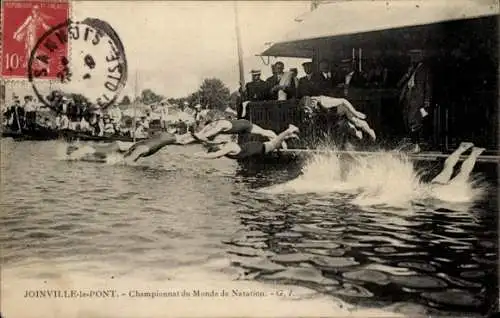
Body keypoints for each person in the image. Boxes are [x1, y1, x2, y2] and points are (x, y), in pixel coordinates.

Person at [65, 131, 211, 163]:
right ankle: (76, 153)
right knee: (103, 158)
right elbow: (185, 140)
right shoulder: (166, 139)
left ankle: (78, 151)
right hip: (129, 147)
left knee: (102, 153)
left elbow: (185, 140)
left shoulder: (166, 136)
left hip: (126, 145)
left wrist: (200, 138)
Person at [193, 124, 299, 160]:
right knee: (274, 144)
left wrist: (201, 156)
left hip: (254, 148)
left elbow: (215, 155)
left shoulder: (227, 148)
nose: (219, 157)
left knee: (273, 144)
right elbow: (213, 147)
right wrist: (203, 143)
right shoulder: (224, 146)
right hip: (251, 148)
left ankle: (289, 130)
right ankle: (289, 135)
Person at [398, 49, 432, 153]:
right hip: (408, 98)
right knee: (408, 120)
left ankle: (417, 145)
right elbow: (399, 84)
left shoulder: (425, 69)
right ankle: (415, 144)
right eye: (412, 55)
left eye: (415, 55)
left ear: (421, 56)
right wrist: (407, 74)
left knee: (414, 120)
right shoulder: (411, 69)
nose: (413, 57)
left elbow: (428, 86)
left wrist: (427, 101)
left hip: (419, 100)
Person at [306, 95, 376, 141]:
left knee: (356, 121)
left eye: (311, 109)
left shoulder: (324, 102)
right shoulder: (313, 107)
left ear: (314, 103)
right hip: (335, 115)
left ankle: (370, 131)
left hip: (344, 108)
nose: (310, 113)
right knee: (355, 134)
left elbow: (343, 100)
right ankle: (357, 133)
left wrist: (355, 112)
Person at [191, 118, 287, 149]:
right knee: (264, 132)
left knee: (264, 133)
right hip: (243, 123)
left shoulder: (218, 125)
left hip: (243, 126)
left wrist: (202, 137)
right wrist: (197, 136)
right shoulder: (213, 123)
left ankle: (279, 141)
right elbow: (202, 132)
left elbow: (212, 131)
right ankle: (281, 141)